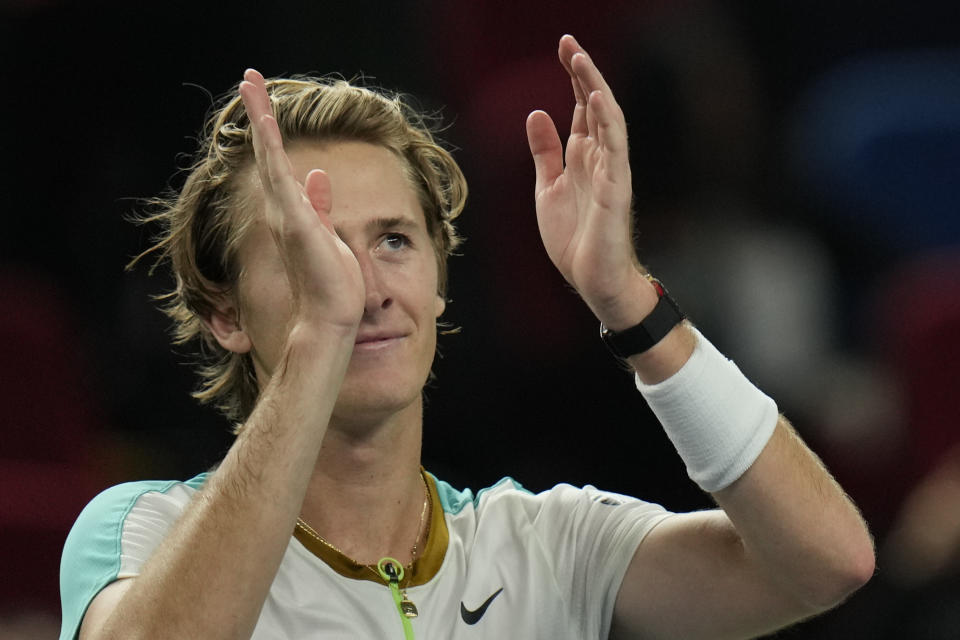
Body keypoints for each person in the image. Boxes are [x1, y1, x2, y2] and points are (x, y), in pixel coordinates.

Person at [59, 35, 874, 639]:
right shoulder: (140, 529)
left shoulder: (546, 542)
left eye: (393, 241)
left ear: (439, 279)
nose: (364, 288)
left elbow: (826, 561)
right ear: (225, 315)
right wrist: (319, 335)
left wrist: (628, 297)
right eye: (310, 251)